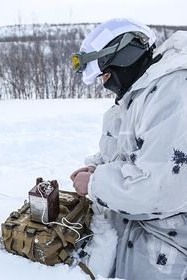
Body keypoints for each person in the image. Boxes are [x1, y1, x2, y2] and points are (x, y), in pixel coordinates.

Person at [70, 18, 187, 279]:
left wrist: (95, 183)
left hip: (171, 251)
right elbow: (127, 152)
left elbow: (160, 188)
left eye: (106, 74)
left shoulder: (174, 92)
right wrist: (97, 167)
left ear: (125, 56)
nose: (104, 84)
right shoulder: (135, 97)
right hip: (135, 235)